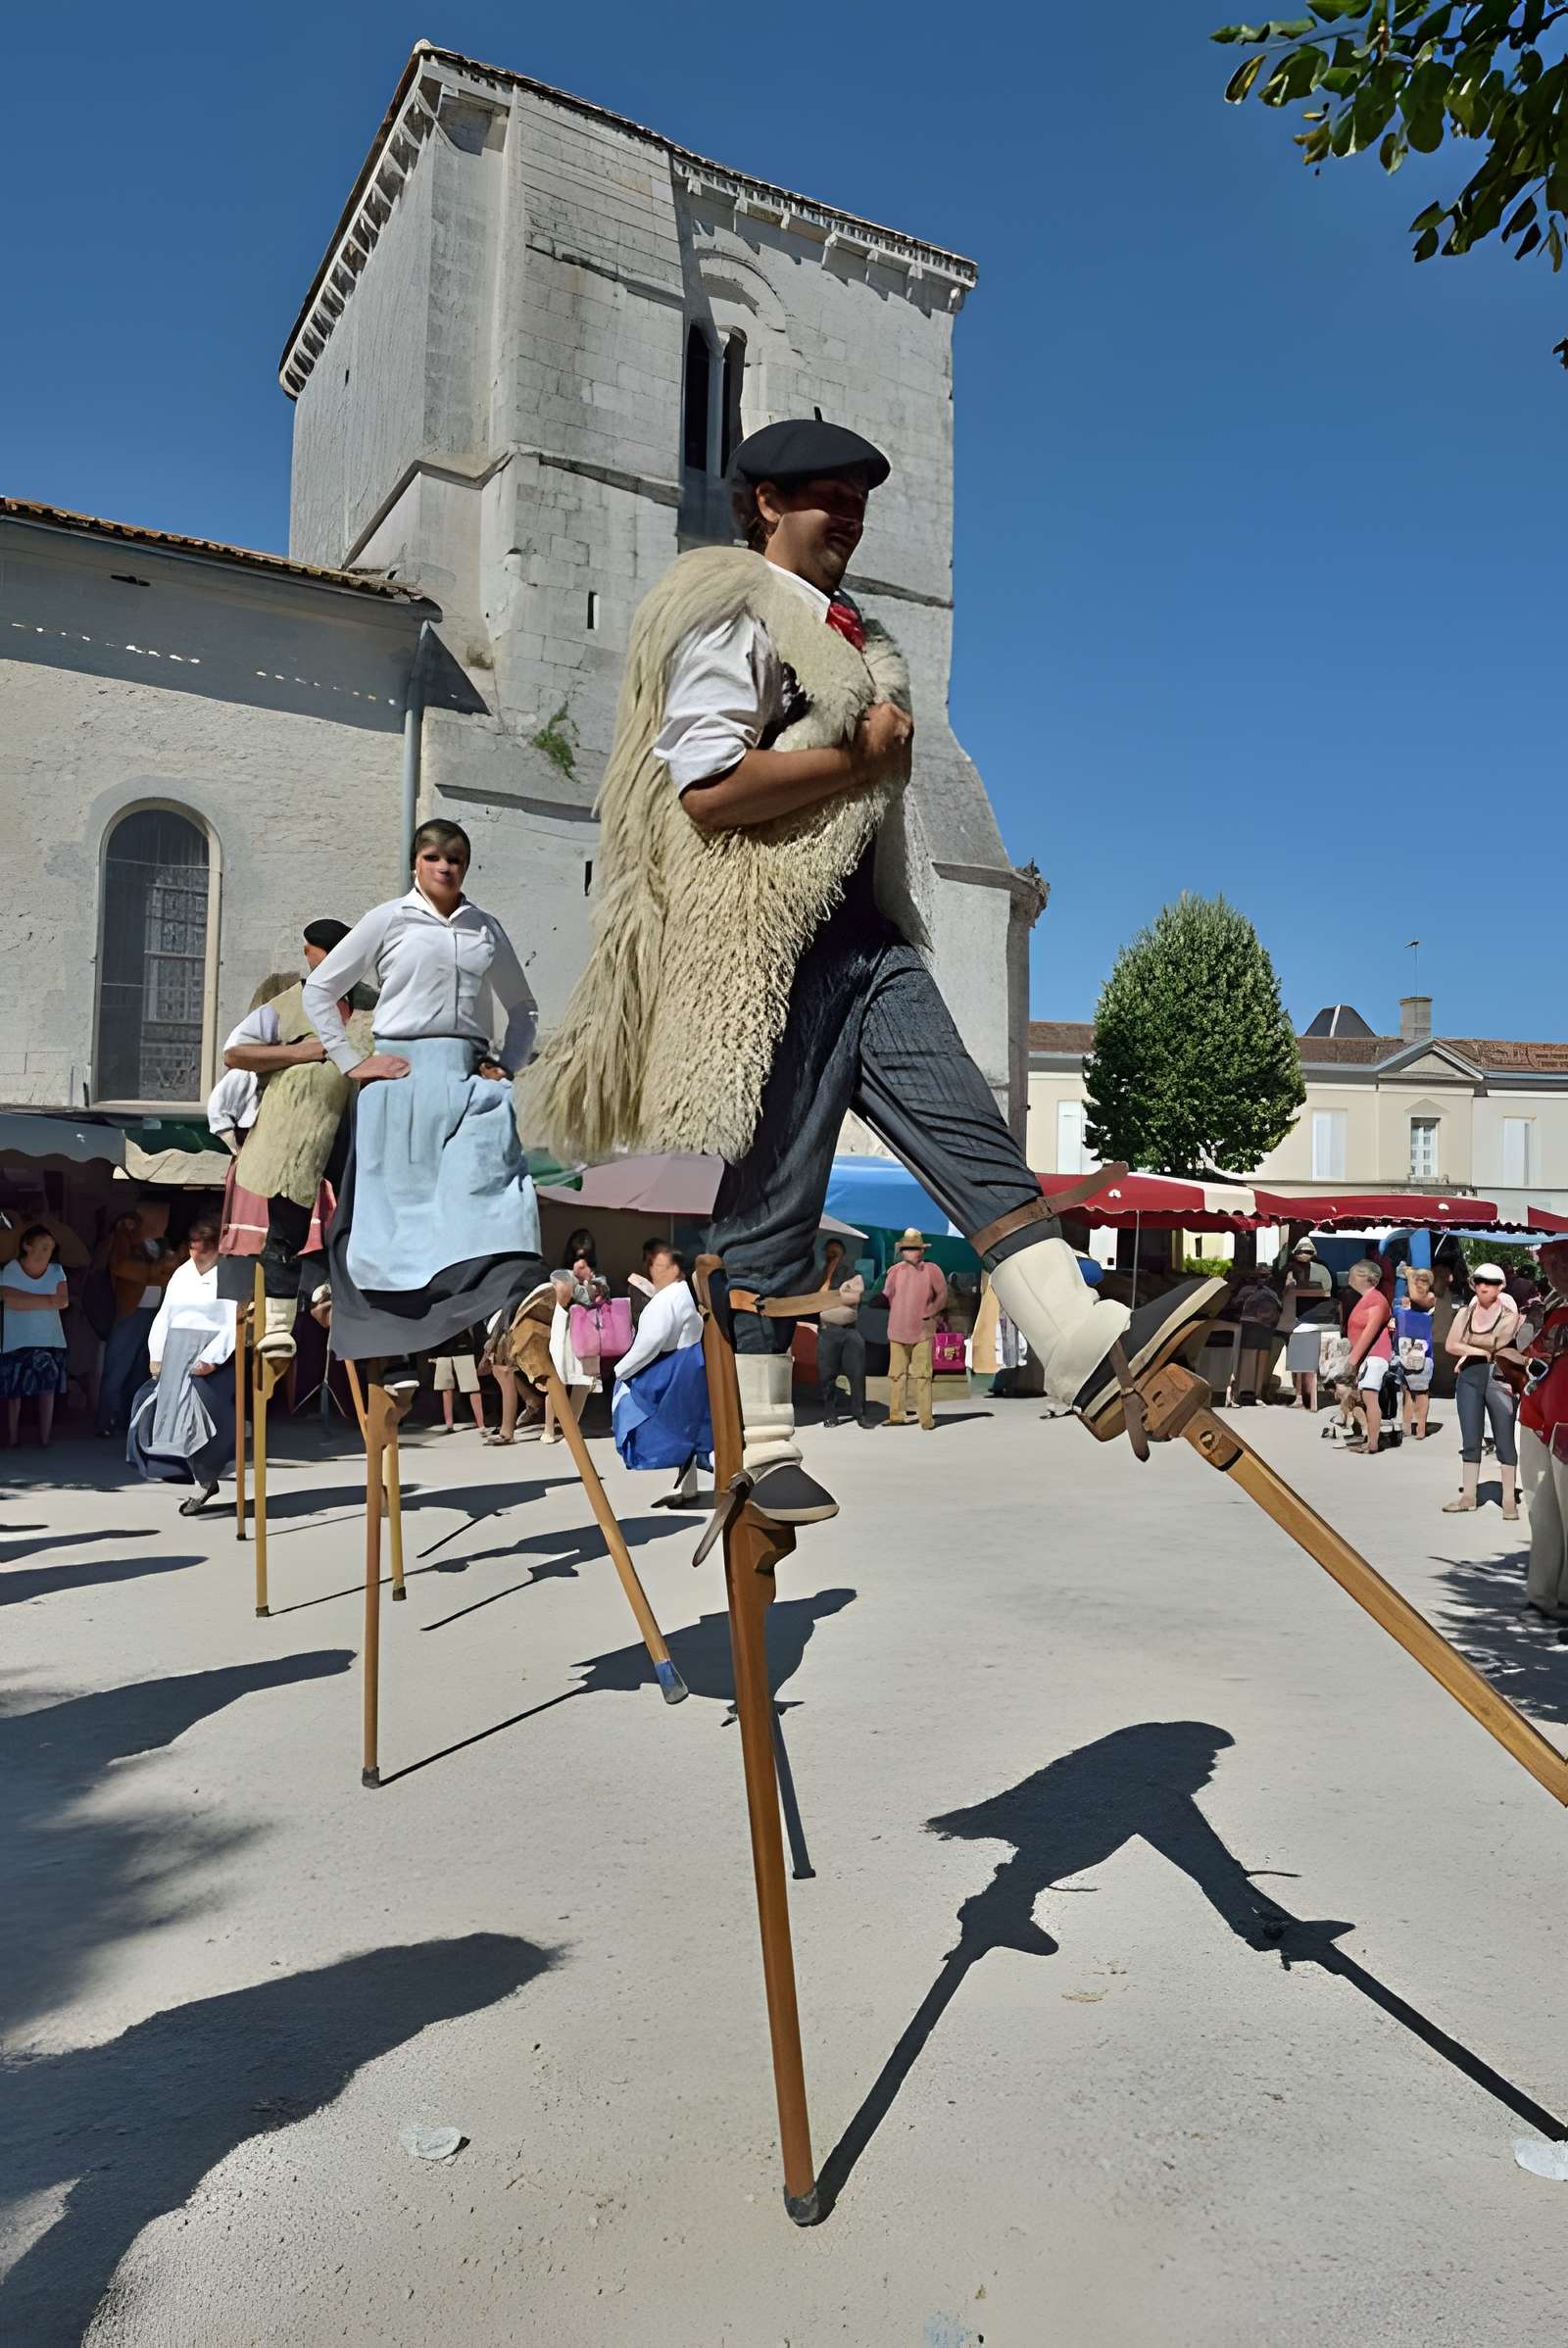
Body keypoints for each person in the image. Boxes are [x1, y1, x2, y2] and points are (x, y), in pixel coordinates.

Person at [524, 416, 1224, 1526]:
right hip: (767, 939)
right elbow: (706, 785)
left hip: (862, 930)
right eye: (822, 495)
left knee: (967, 1123)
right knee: (775, 1192)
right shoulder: (730, 611)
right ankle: (758, 1445)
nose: (845, 512)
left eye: (856, 498)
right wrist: (858, 753)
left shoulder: (846, 635)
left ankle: (1074, 1340)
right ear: (763, 503)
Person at [303, 820, 544, 1390]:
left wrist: (506, 1063)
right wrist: (351, 1060)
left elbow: (524, 1008)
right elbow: (320, 988)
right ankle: (392, 1355)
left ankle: (503, 1307)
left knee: (494, 1193)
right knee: (393, 1225)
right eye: (433, 856)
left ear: (466, 865)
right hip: (400, 1076)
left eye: (456, 858)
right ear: (416, 861)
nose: (445, 866)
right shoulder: (389, 919)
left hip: (466, 1076)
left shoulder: (485, 928)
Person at [218, 923, 367, 1363]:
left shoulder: (373, 1006)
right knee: (288, 1222)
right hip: (296, 1127)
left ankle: (350, 1303)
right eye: (330, 953)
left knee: (362, 1214)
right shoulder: (286, 1006)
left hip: (355, 1123)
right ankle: (280, 1326)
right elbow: (235, 1053)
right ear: (310, 954)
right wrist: (298, 1053)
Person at [129, 1214, 236, 1512]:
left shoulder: (228, 1274)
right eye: (193, 1246)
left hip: (213, 1353)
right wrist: (156, 1354)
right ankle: (186, 1473)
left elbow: (231, 1323)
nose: (197, 1253)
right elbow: (165, 1314)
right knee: (156, 1409)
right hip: (177, 1347)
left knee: (204, 1410)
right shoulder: (181, 1273)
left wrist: (211, 1360)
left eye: (205, 1247)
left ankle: (206, 1477)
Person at [612, 1242, 711, 1501]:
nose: (652, 1270)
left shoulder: (671, 1297)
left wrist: (621, 1370)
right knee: (693, 1429)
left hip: (672, 1373)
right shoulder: (684, 1295)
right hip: (691, 1367)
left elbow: (651, 1342)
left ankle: (727, 1481)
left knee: (681, 1428)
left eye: (657, 1265)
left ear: (675, 1269)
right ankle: (687, 1485)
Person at [1444, 1262, 1521, 1515]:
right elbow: (1451, 1344)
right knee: (1470, 1437)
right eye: (1478, 1280)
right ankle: (1468, 1496)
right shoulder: (1465, 1312)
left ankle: (1508, 1498)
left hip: (1498, 1377)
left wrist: (1467, 1349)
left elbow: (1498, 1343)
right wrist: (1476, 1351)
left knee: (1504, 1438)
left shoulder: (1509, 1314)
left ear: (1501, 1286)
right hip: (1470, 1376)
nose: (1483, 1286)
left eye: (1489, 1282)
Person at [1518, 1238, 1568, 1621]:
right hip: (1539, 1420)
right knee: (1541, 1511)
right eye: (1550, 1264)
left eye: (1562, 1263)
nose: (1556, 1271)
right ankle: (1543, 1597)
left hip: (1563, 1423)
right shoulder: (1551, 1306)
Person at [96, 1210, 174, 1435]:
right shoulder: (123, 1240)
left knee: (141, 1370)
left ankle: (129, 1419)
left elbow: (172, 1270)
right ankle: (105, 1420)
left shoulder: (159, 1243)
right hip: (130, 1312)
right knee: (117, 1368)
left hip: (154, 1313)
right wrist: (156, 1272)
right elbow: (121, 1268)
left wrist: (151, 1273)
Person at [2, 1224, 70, 1446]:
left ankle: (44, 1439)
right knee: (14, 1393)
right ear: (26, 1246)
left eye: (49, 1248)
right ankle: (12, 1438)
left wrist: (25, 1300)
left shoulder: (56, 1270)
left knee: (47, 1390)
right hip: (16, 1339)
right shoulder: (11, 1269)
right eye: (41, 1247)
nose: (46, 1252)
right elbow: (7, 1299)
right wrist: (47, 1301)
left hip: (49, 1338)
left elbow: (63, 1301)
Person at [879, 1228, 949, 1432]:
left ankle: (926, 1418)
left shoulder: (932, 1270)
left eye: (913, 1249)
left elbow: (942, 1295)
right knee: (896, 1374)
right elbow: (888, 1295)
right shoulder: (895, 1271)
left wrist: (930, 1312)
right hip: (897, 1329)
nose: (909, 1252)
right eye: (906, 1249)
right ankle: (896, 1415)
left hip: (922, 1330)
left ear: (922, 1251)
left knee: (923, 1375)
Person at [542, 1263, 603, 1443]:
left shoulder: (583, 1292)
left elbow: (593, 1303)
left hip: (580, 1344)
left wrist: (588, 1283)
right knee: (555, 1384)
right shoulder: (552, 1297)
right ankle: (549, 1428)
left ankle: (571, 1427)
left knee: (580, 1384)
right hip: (561, 1343)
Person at [814, 1236, 868, 1428]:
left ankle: (860, 1414)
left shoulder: (853, 1274)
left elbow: (853, 1297)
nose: (833, 1256)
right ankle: (830, 1414)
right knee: (827, 1376)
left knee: (857, 1373)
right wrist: (829, 1274)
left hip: (849, 1331)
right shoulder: (819, 1275)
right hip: (828, 1332)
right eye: (830, 1253)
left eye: (836, 1253)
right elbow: (820, 1298)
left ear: (843, 1253)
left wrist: (836, 1297)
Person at [1343, 1258, 1394, 1457]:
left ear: (1364, 1277)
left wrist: (1351, 1362)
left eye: (1353, 1273)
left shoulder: (1377, 1301)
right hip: (1367, 1357)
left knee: (1370, 1398)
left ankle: (1372, 1442)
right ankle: (1368, 1438)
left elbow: (1368, 1334)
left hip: (1374, 1356)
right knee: (1362, 1398)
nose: (1349, 1277)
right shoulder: (1368, 1299)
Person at [1282, 1239, 1334, 1411]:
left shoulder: (1322, 1269)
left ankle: (1309, 1395)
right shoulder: (1288, 1269)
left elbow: (1327, 1290)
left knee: (1310, 1358)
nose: (1304, 1255)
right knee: (1296, 1357)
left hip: (1314, 1316)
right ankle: (1299, 1395)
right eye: (1301, 1252)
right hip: (1294, 1316)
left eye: (1308, 1252)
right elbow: (1284, 1289)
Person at [1230, 1263, 1282, 1406]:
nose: (1262, 1279)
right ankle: (1250, 1394)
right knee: (1253, 1360)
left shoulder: (1251, 1290)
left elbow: (1236, 1303)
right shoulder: (1269, 1292)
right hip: (1259, 1326)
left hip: (1256, 1326)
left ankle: (1250, 1394)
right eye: (1259, 1276)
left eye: (1264, 1276)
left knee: (1253, 1360)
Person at [1395, 1265, 1437, 1440]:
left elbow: (1416, 1297)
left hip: (1422, 1353)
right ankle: (1406, 1425)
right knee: (1406, 1391)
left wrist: (1409, 1274)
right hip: (1404, 1350)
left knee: (1420, 1392)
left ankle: (1420, 1427)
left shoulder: (1429, 1298)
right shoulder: (1407, 1302)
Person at [431, 1330, 485, 1434]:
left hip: (464, 1350)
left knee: (472, 1387)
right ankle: (449, 1425)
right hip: (443, 1349)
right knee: (446, 1387)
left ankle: (481, 1424)